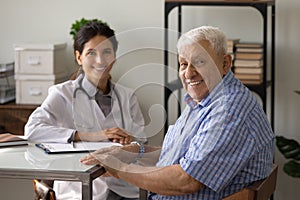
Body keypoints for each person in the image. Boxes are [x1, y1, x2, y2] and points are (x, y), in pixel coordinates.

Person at [80, 26, 275, 199]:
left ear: (225, 64)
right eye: (183, 64)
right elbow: (180, 157)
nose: (189, 73)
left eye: (200, 62)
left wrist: (118, 168)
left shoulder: (229, 109)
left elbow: (186, 180)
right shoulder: (204, 101)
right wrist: (134, 152)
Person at [25, 21, 146, 200]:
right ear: (79, 57)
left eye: (106, 52)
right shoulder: (62, 94)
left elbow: (142, 142)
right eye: (91, 53)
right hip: (79, 189)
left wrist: (131, 143)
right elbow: (32, 130)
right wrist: (92, 135)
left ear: (114, 56)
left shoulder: (127, 96)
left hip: (125, 187)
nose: (100, 60)